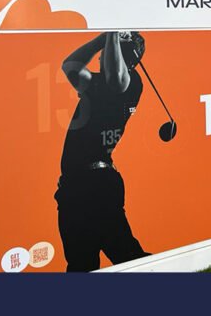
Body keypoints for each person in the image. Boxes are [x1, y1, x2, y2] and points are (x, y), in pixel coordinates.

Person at [55, 31, 151, 271]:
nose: (99, 57)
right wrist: (103, 38)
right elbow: (69, 65)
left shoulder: (132, 83)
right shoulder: (96, 84)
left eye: (106, 51)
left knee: (128, 258)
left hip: (97, 187)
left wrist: (113, 33)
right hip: (73, 189)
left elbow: (117, 77)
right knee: (80, 266)